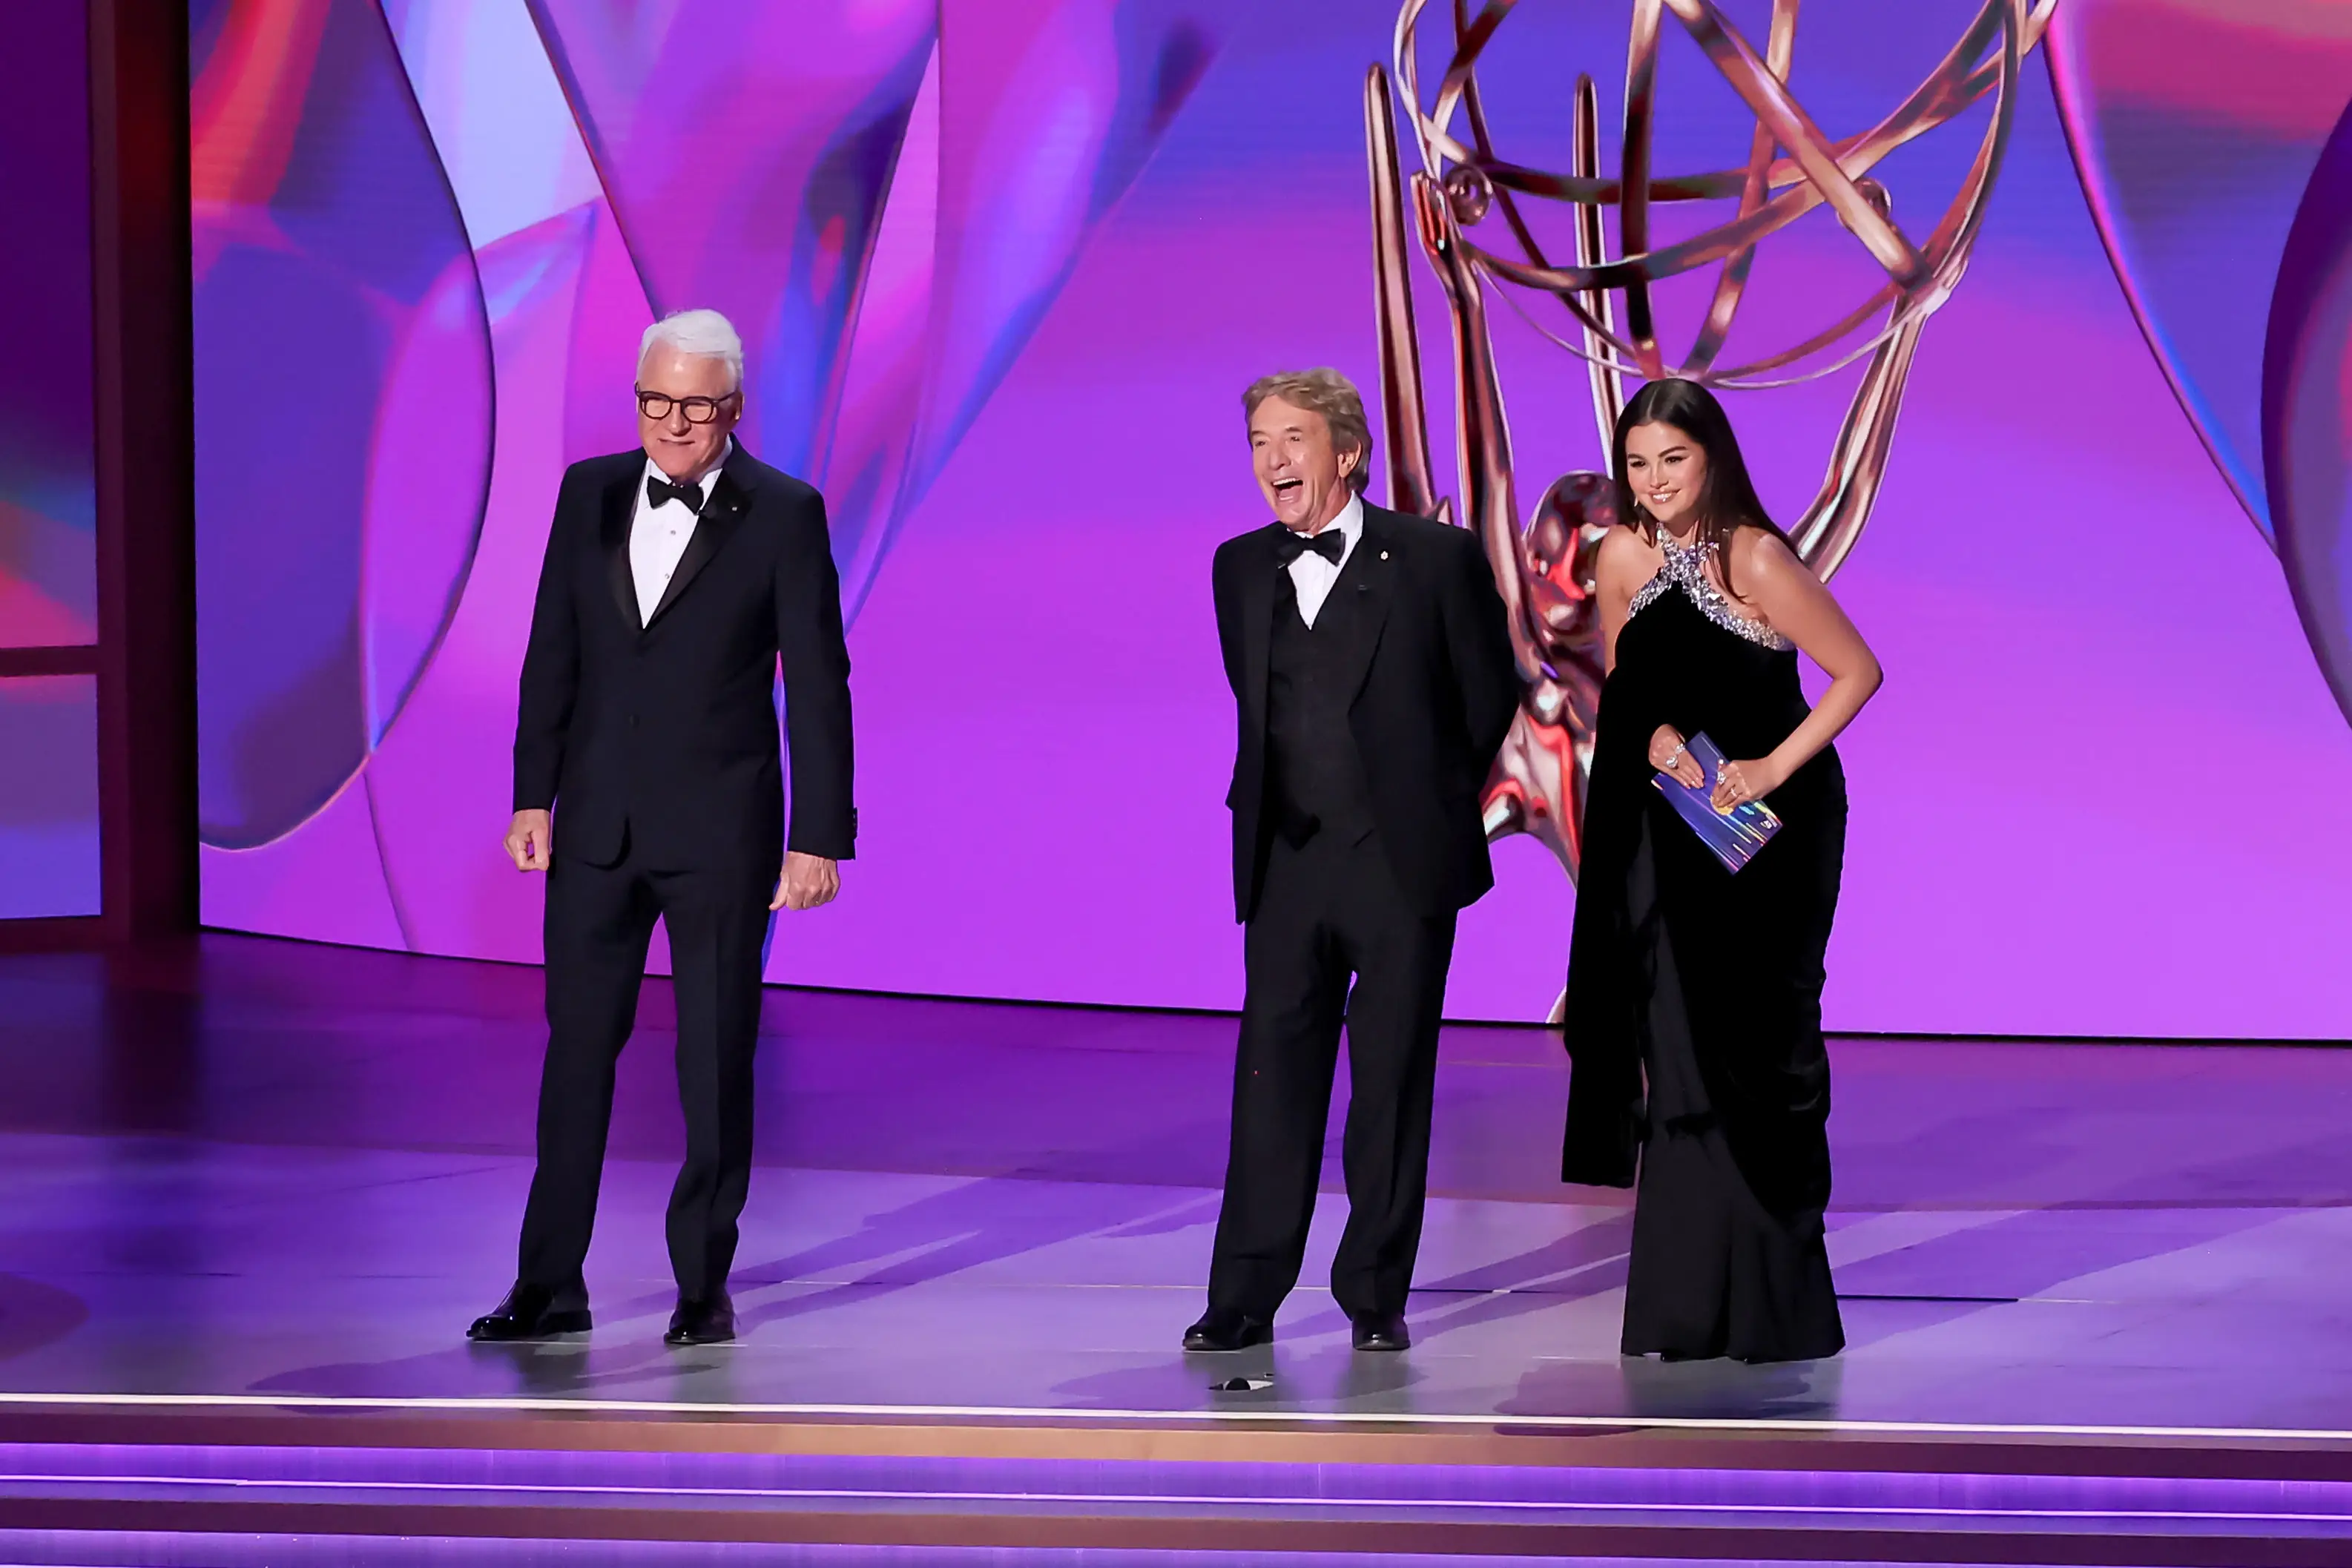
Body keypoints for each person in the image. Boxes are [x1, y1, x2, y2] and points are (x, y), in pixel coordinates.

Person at [467, 309, 855, 1348]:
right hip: (595, 825)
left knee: (713, 1060)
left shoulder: (785, 512)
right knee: (575, 1054)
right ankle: (549, 1283)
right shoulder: (587, 491)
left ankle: (701, 1287)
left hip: (721, 833)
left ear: (734, 408)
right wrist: (532, 795)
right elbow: (553, 649)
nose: (673, 423)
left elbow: (819, 684)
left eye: (694, 406)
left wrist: (819, 836)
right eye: (655, 401)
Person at [1188, 369, 1518, 1354]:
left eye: (1291, 438)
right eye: (1258, 442)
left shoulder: (1434, 558)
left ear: (1348, 451)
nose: (1272, 460)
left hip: (1398, 865)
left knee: (1390, 1080)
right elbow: (1258, 707)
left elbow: (1487, 695)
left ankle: (1374, 1294)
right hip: (1286, 860)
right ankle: (1243, 1296)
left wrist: (1422, 801)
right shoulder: (1238, 567)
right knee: (1270, 1080)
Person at [1561, 378, 1881, 1363]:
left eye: (1673, 459)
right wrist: (1654, 737)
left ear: (1712, 458)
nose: (1654, 481)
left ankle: (1776, 1305)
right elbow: (1626, 687)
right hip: (1669, 829)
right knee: (1679, 1048)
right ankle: (1688, 1305)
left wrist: (1770, 768)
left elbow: (1857, 672)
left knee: (1763, 1043)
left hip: (1775, 831)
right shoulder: (1621, 558)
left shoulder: (1757, 555)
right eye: (1637, 464)